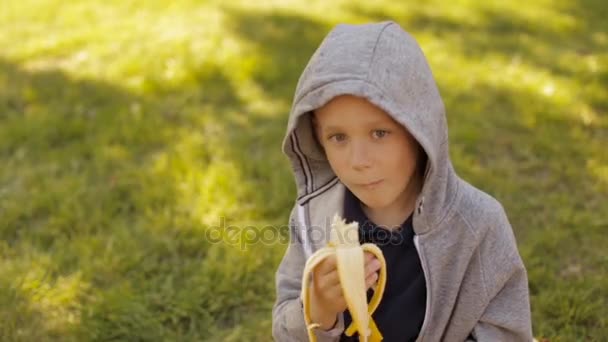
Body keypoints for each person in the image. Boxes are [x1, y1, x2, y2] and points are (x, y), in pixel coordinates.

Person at [272, 21, 533, 341]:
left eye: (379, 133)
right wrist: (316, 311)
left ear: (419, 129)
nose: (359, 161)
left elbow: (507, 331)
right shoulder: (314, 215)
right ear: (316, 136)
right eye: (338, 137)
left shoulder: (478, 226)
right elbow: (285, 330)